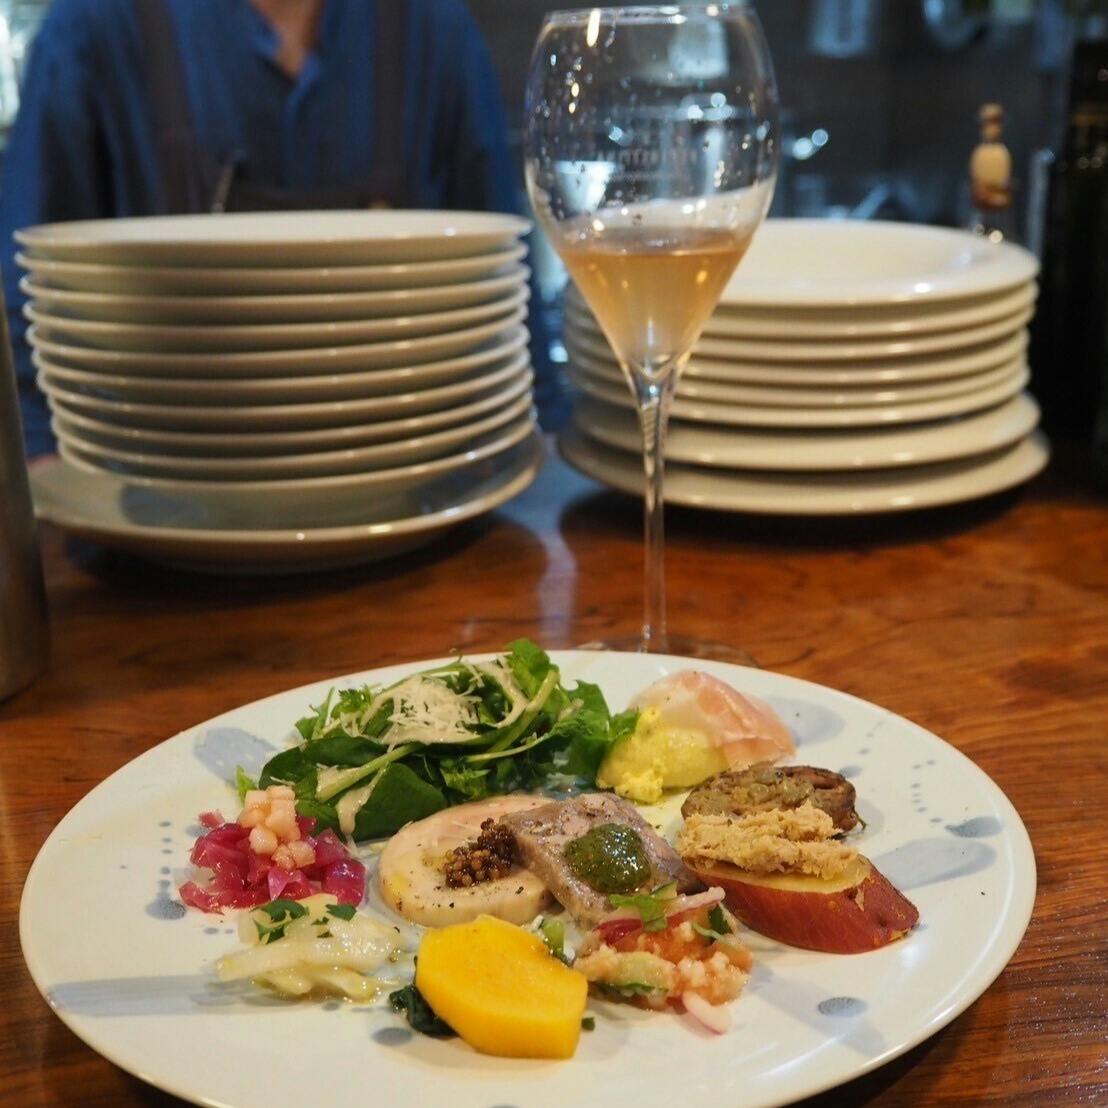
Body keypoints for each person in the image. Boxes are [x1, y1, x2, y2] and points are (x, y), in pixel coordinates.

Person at [0, 0, 555, 456]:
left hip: (423, 483)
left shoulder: (436, 29)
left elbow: (508, 303)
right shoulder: (92, 28)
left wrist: (539, 444)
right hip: (153, 494)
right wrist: (43, 483)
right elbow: (28, 303)